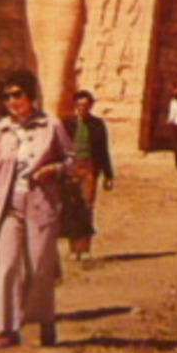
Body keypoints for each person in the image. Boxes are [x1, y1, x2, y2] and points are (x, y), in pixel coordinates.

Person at [0, 69, 74, 349]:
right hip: (7, 205)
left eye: (17, 94)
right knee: (6, 267)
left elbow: (73, 160)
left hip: (41, 203)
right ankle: (6, 328)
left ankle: (44, 320)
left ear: (30, 95)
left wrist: (54, 168)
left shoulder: (51, 125)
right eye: (6, 96)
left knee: (40, 267)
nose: (12, 101)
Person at [63, 89, 114, 260]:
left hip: (90, 168)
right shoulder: (67, 124)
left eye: (86, 105)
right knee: (71, 208)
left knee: (86, 207)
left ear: (91, 106)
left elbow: (103, 150)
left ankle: (84, 248)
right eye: (79, 105)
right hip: (71, 168)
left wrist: (108, 174)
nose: (82, 108)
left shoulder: (97, 125)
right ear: (75, 106)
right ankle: (73, 247)